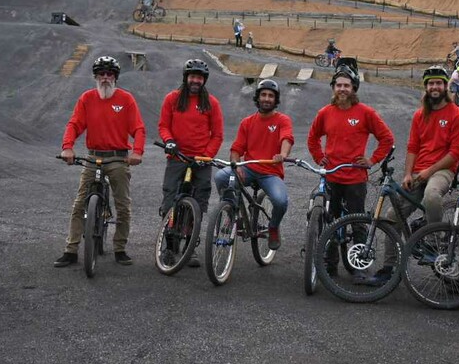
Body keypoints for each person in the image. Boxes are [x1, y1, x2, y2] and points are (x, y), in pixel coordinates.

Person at [367, 65, 459, 286]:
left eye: (439, 83)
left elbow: (456, 153)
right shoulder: (419, 115)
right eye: (431, 83)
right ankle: (388, 269)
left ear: (445, 86)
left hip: (442, 170)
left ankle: (432, 239)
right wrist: (407, 174)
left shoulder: (457, 116)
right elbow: (412, 146)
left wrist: (428, 171)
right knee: (391, 216)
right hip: (418, 171)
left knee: (432, 196)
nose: (435, 87)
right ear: (426, 87)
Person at [55, 56, 145, 267]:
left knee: (123, 205)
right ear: (95, 76)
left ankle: (120, 248)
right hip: (93, 156)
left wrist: (137, 152)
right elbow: (75, 124)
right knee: (79, 204)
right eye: (101, 74)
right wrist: (67, 147)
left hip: (118, 157)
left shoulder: (126, 99)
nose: (105, 78)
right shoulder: (86, 98)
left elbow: (138, 128)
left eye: (110, 74)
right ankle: (71, 250)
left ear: (115, 77)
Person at [307, 65, 394, 232]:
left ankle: (357, 257)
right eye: (338, 85)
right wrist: (319, 157)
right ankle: (328, 256)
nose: (342, 89)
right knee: (330, 220)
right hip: (332, 174)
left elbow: (387, 138)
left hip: (355, 177)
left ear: (354, 88)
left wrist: (372, 160)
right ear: (333, 88)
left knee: (357, 222)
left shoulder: (366, 113)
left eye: (346, 86)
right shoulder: (325, 113)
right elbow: (312, 138)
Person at [158, 59, 224, 267]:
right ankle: (168, 247)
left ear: (204, 80)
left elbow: (218, 135)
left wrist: (206, 155)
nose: (195, 80)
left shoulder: (211, 103)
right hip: (177, 158)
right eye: (192, 76)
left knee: (197, 204)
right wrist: (169, 142)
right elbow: (163, 125)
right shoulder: (172, 99)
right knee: (170, 202)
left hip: (201, 161)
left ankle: (189, 246)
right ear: (186, 77)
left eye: (199, 77)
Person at [214, 79, 294, 250]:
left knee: (280, 201)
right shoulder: (247, 122)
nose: (266, 98)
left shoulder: (282, 120)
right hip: (249, 168)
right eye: (263, 95)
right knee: (222, 176)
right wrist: (236, 166)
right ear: (258, 98)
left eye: (271, 96)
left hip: (271, 172)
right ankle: (232, 213)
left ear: (275, 99)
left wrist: (283, 154)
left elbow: (287, 138)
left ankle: (273, 227)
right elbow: (236, 149)